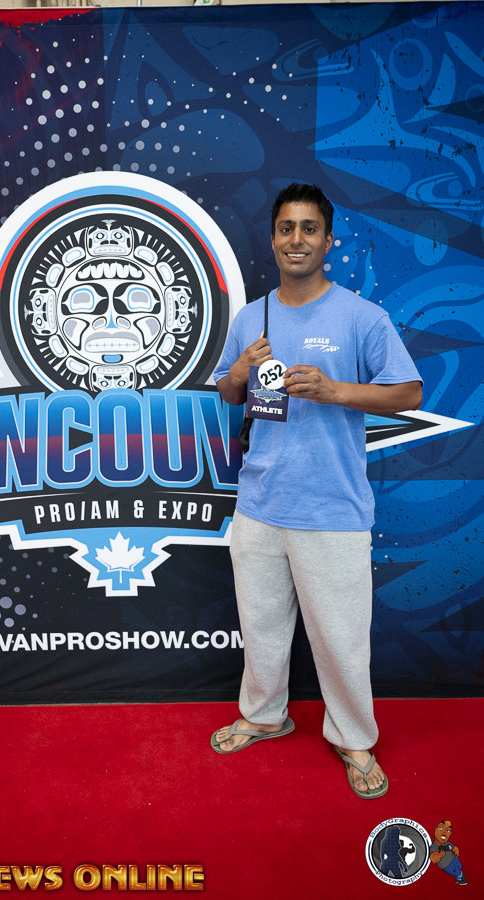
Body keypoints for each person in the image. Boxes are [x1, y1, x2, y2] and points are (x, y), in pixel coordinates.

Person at [210, 183, 423, 798]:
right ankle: (263, 716)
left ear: (329, 241)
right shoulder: (252, 316)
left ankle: (353, 737)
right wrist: (240, 372)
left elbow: (409, 392)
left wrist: (335, 391)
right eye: (286, 228)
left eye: (309, 229)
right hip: (260, 505)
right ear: (273, 238)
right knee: (262, 628)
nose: (296, 239)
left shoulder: (361, 316)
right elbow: (228, 391)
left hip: (333, 508)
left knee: (341, 641)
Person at [429, 821, 468, 885]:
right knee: (456, 872)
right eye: (440, 828)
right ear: (435, 829)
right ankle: (462, 878)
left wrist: (456, 854)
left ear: (450, 833)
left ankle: (458, 878)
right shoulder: (433, 847)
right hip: (445, 865)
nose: (444, 832)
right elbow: (433, 859)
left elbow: (455, 848)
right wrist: (440, 856)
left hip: (454, 859)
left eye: (447, 830)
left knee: (459, 867)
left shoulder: (447, 843)